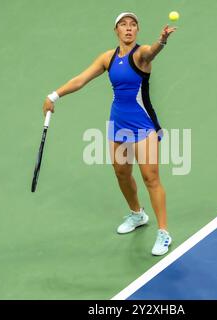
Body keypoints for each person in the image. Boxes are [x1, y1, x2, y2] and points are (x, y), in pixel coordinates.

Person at [42, 12, 177, 256]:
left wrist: (162, 41)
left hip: (143, 125)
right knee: (121, 173)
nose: (128, 28)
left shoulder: (141, 54)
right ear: (116, 30)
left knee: (151, 178)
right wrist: (54, 96)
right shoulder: (108, 58)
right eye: (123, 25)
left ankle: (164, 233)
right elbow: (81, 79)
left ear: (137, 31)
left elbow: (151, 52)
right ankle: (138, 214)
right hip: (118, 124)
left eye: (133, 25)